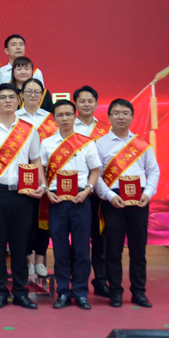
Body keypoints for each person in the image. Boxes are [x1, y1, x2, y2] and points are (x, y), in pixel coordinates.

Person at [0, 83, 45, 310]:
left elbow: (36, 159)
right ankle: (0, 292)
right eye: (2, 97)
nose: (7, 101)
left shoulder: (29, 129)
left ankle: (21, 292)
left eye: (12, 97)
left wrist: (42, 184)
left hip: (23, 194)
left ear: (18, 101)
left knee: (20, 245)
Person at [95, 99, 160, 309]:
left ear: (132, 116)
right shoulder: (100, 144)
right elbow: (96, 176)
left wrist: (148, 193)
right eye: (116, 113)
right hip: (113, 200)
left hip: (139, 200)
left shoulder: (142, 143)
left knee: (138, 250)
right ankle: (115, 292)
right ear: (109, 117)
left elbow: (153, 171)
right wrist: (108, 196)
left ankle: (139, 292)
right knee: (113, 250)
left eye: (125, 113)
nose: (121, 116)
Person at [42, 100, 101, 310]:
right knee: (60, 250)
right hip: (57, 200)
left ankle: (81, 292)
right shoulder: (47, 143)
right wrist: (47, 191)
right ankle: (63, 292)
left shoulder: (86, 142)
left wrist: (87, 190)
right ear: (54, 118)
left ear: (75, 117)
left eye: (68, 114)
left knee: (82, 249)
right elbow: (41, 169)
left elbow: (95, 170)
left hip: (80, 199)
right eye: (60, 115)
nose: (65, 118)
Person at [16, 77, 57, 278]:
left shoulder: (50, 119)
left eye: (37, 92)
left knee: (43, 219)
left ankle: (40, 258)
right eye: (29, 91)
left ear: (42, 95)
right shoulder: (14, 117)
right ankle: (27, 259)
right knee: (25, 219)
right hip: (20, 173)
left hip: (45, 174)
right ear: (22, 94)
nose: (33, 95)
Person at [73, 85, 110, 297]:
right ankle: (77, 281)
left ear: (96, 104)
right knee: (78, 241)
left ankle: (101, 280)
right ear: (75, 104)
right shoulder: (68, 126)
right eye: (82, 101)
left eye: (90, 101)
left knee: (100, 238)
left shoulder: (106, 129)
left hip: (101, 193)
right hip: (77, 192)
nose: (86, 104)